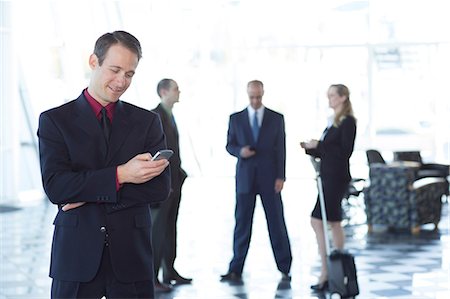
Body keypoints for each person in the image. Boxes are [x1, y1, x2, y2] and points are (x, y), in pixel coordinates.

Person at [37, 31, 171, 299]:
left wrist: (85, 193)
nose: (121, 81)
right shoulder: (55, 121)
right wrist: (122, 175)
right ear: (93, 62)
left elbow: (158, 190)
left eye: (130, 74)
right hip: (76, 258)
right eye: (115, 69)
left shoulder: (146, 122)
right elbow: (56, 188)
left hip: (132, 258)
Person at [222, 80, 292, 282]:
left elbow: (281, 149)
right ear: (247, 94)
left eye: (258, 96)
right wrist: (239, 151)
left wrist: (281, 176)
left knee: (276, 223)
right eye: (252, 96)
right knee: (242, 223)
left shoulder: (276, 118)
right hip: (245, 178)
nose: (255, 100)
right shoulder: (235, 118)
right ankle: (236, 268)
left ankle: (285, 267)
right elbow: (229, 145)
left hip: (270, 178)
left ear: (263, 93)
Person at [300, 84, 357, 292]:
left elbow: (344, 151)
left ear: (342, 98)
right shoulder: (333, 121)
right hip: (328, 177)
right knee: (331, 221)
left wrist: (319, 146)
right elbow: (328, 151)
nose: (329, 99)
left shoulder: (348, 122)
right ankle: (331, 271)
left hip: (336, 178)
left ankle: (331, 269)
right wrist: (312, 148)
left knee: (324, 221)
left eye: (332, 95)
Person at [150, 79, 191, 292]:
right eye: (176, 88)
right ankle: (153, 278)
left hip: (174, 184)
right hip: (162, 187)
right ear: (164, 92)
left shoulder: (170, 115)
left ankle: (169, 271)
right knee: (157, 232)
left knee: (170, 229)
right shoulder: (154, 116)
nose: (179, 91)